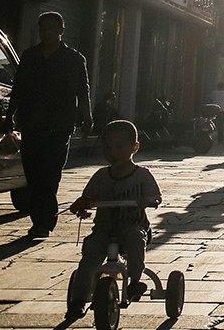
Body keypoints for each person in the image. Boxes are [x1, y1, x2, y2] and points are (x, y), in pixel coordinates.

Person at [64, 119, 162, 321]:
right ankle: (79, 299)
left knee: (135, 241)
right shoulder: (101, 176)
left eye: (119, 147)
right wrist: (83, 203)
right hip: (104, 228)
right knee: (90, 255)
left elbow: (156, 196)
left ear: (134, 147)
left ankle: (134, 281)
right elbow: (88, 196)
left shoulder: (142, 175)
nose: (112, 153)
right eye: (107, 147)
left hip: (133, 225)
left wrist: (148, 200)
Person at [6, 11, 92, 239]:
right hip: (31, 124)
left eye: (52, 28)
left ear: (61, 30)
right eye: (43, 28)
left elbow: (83, 91)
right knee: (33, 174)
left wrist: (87, 117)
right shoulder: (30, 56)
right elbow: (18, 89)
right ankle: (39, 219)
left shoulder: (74, 59)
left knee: (50, 173)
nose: (47, 32)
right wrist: (10, 117)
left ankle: (44, 222)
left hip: (59, 126)